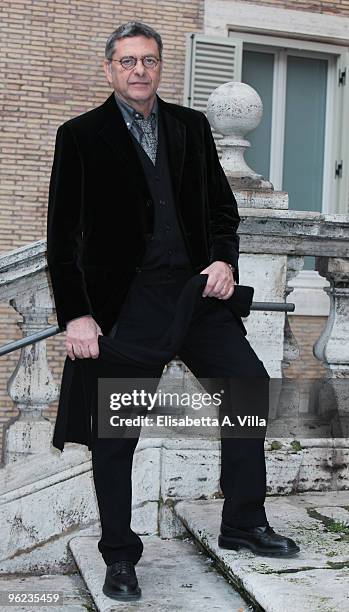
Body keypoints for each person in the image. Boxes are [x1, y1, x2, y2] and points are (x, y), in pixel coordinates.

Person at [46, 21, 300, 603]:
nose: (140, 70)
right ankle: (119, 554)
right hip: (127, 307)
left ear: (161, 67)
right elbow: (63, 240)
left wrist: (223, 260)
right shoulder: (80, 135)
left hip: (195, 295)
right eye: (128, 61)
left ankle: (242, 523)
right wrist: (77, 316)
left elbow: (220, 208)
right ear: (110, 70)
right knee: (116, 435)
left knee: (246, 387)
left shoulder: (190, 126)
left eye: (150, 61)